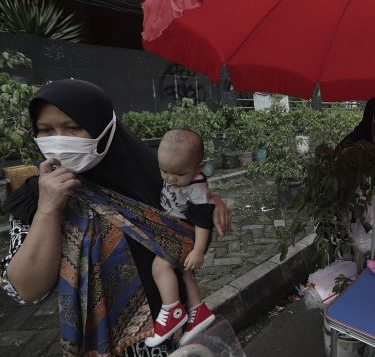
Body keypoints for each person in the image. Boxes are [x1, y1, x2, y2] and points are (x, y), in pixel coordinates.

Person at [1, 79, 231, 356]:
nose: (60, 139)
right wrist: (47, 209)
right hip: (102, 344)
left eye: (74, 127)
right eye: (46, 130)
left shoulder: (155, 174)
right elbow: (25, 290)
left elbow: (187, 243)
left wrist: (207, 200)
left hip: (173, 338)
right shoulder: (35, 197)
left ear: (104, 127)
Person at [144, 129, 217, 347]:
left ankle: (172, 309)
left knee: (160, 268)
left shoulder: (196, 189)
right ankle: (198, 311)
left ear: (199, 167)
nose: (170, 178)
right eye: (164, 171)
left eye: (179, 174)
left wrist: (198, 250)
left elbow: (204, 222)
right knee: (185, 273)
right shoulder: (176, 174)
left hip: (189, 234)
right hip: (177, 229)